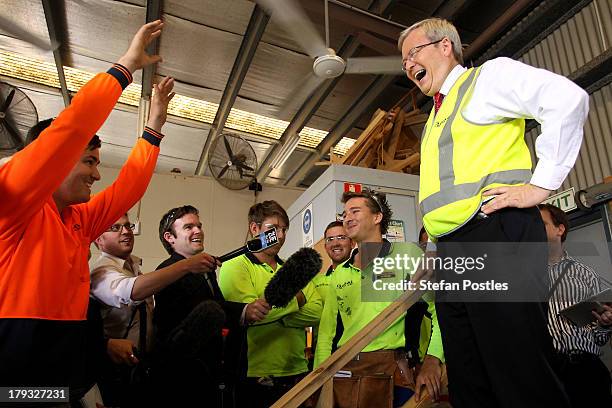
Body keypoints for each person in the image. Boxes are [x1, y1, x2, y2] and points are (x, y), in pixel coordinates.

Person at [398, 17, 589, 407]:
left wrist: (541, 185)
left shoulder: (486, 79)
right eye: (402, 62)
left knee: (518, 375)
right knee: (470, 382)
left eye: (412, 53)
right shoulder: (434, 116)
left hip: (495, 235)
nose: (407, 65)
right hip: (453, 252)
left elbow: (568, 99)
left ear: (444, 47)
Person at [0, 20, 172, 399]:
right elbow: (72, 128)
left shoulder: (78, 218)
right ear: (56, 158)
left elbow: (129, 188)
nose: (97, 174)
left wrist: (155, 127)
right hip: (13, 383)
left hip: (64, 380)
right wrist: (125, 66)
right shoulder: (12, 201)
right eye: (89, 162)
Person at [314, 190, 445, 406]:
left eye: (355, 211)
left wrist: (433, 358)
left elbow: (439, 308)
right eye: (344, 214)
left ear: (377, 217)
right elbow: (327, 333)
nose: (347, 217)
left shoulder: (408, 255)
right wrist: (318, 380)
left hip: (393, 371)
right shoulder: (340, 274)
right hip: (347, 373)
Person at [153, 205, 270, 406]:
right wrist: (244, 310)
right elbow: (202, 309)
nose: (198, 230)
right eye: (189, 227)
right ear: (169, 238)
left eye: (199, 225)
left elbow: (215, 305)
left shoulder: (206, 270)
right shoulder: (167, 272)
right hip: (183, 382)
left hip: (211, 378)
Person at [218, 200, 323, 408]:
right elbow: (251, 315)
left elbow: (317, 310)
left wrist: (282, 318)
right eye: (273, 229)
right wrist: (298, 300)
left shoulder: (291, 267)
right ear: (254, 229)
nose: (281, 236)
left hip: (297, 370)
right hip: (256, 374)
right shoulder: (235, 266)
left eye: (284, 229)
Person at [539, 203, 612, 406]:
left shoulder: (585, 275)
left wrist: (605, 324)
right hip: (545, 374)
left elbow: (598, 337)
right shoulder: (523, 276)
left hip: (587, 371)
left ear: (559, 229)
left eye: (541, 224)